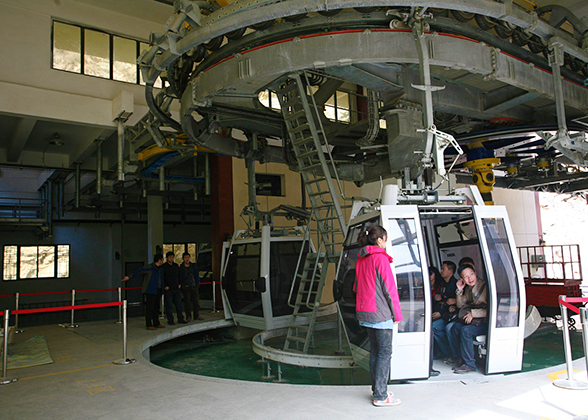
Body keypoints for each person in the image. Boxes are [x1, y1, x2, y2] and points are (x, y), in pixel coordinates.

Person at [354, 225, 403, 407]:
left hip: (365, 312)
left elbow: (356, 285)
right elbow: (389, 289)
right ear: (379, 240)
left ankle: (378, 389)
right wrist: (397, 314)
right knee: (384, 353)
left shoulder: (361, 259)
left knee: (375, 352)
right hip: (380, 313)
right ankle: (381, 395)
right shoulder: (379, 259)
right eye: (385, 239)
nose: (386, 242)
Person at [447, 264, 488, 374]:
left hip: (485, 321)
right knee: (455, 328)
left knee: (466, 331)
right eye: (465, 276)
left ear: (475, 273)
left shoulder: (485, 287)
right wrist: (459, 291)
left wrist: (474, 313)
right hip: (474, 321)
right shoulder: (468, 288)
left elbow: (492, 309)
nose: (470, 278)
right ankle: (460, 358)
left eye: (471, 274)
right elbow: (461, 306)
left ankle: (470, 364)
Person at [122, 253, 165, 330]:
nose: (163, 261)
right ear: (159, 260)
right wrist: (129, 276)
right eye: (162, 259)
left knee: (156, 307)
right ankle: (149, 324)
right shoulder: (149, 267)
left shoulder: (161, 269)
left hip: (158, 289)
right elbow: (139, 271)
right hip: (150, 290)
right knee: (149, 307)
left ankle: (156, 323)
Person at [431, 261, 458, 360]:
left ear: (450, 272)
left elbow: (451, 303)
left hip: (450, 315)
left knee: (436, 327)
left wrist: (440, 313)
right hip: (441, 313)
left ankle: (450, 353)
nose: (441, 271)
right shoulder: (442, 284)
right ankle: (443, 352)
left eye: (443, 269)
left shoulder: (455, 284)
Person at [162, 251, 187, 325]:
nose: (171, 259)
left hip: (176, 287)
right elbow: (163, 277)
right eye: (170, 257)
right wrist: (165, 286)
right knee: (169, 305)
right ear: (166, 258)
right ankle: (170, 320)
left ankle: (180, 318)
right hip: (168, 288)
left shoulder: (176, 266)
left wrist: (180, 283)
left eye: (172, 257)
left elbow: (179, 275)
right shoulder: (164, 267)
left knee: (179, 304)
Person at [180, 252, 203, 322]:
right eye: (185, 257)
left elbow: (196, 275)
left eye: (188, 257)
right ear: (183, 259)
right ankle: (188, 316)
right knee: (187, 302)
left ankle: (196, 315)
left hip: (193, 285)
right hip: (186, 286)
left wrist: (197, 283)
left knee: (196, 301)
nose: (187, 259)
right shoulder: (181, 268)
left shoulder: (193, 266)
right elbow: (180, 277)